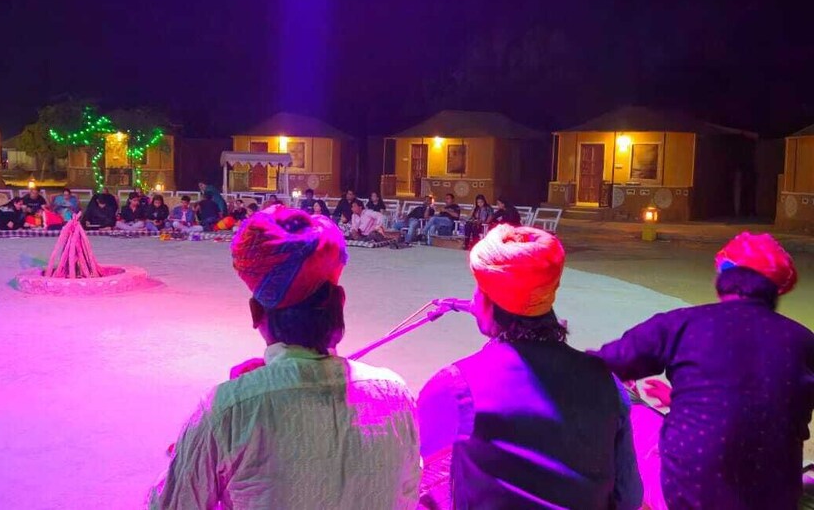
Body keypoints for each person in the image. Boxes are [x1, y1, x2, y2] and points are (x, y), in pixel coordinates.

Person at [148, 206, 421, 509]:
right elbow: (408, 496)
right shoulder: (394, 394)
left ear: (256, 313)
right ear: (340, 302)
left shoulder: (226, 411)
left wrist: (199, 440)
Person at [417, 224, 642, 509]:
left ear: (487, 302)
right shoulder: (607, 382)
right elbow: (629, 497)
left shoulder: (458, 385)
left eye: (479, 290)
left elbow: (408, 475)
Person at [591, 232, 813, 510]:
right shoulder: (804, 340)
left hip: (689, 496)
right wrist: (680, 399)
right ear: (774, 290)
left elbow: (601, 364)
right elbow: (758, 397)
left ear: (724, 276)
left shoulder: (683, 324)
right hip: (775, 499)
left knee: (633, 413)